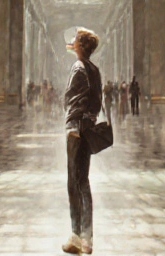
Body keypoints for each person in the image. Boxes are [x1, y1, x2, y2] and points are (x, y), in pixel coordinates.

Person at [62, 28, 102, 255]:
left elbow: (73, 100)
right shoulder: (94, 69)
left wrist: (73, 127)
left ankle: (77, 237)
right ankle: (87, 238)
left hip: (77, 130)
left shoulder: (78, 68)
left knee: (74, 184)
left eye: (75, 41)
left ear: (81, 46)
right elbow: (96, 101)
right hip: (88, 128)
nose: (72, 43)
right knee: (83, 183)